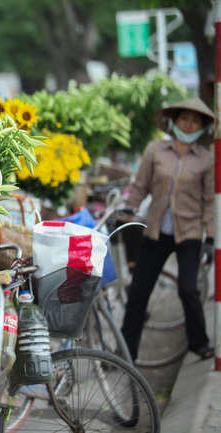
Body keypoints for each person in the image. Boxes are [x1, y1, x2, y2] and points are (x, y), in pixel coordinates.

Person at [121, 97, 215, 361]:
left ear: (203, 127)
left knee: (188, 288)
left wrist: (211, 236)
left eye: (196, 121)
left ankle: (199, 342)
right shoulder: (156, 150)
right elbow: (140, 185)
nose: (189, 124)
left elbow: (210, 201)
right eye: (185, 118)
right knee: (139, 292)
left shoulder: (206, 160)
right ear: (174, 121)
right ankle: (126, 352)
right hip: (156, 232)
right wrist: (130, 208)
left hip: (190, 234)